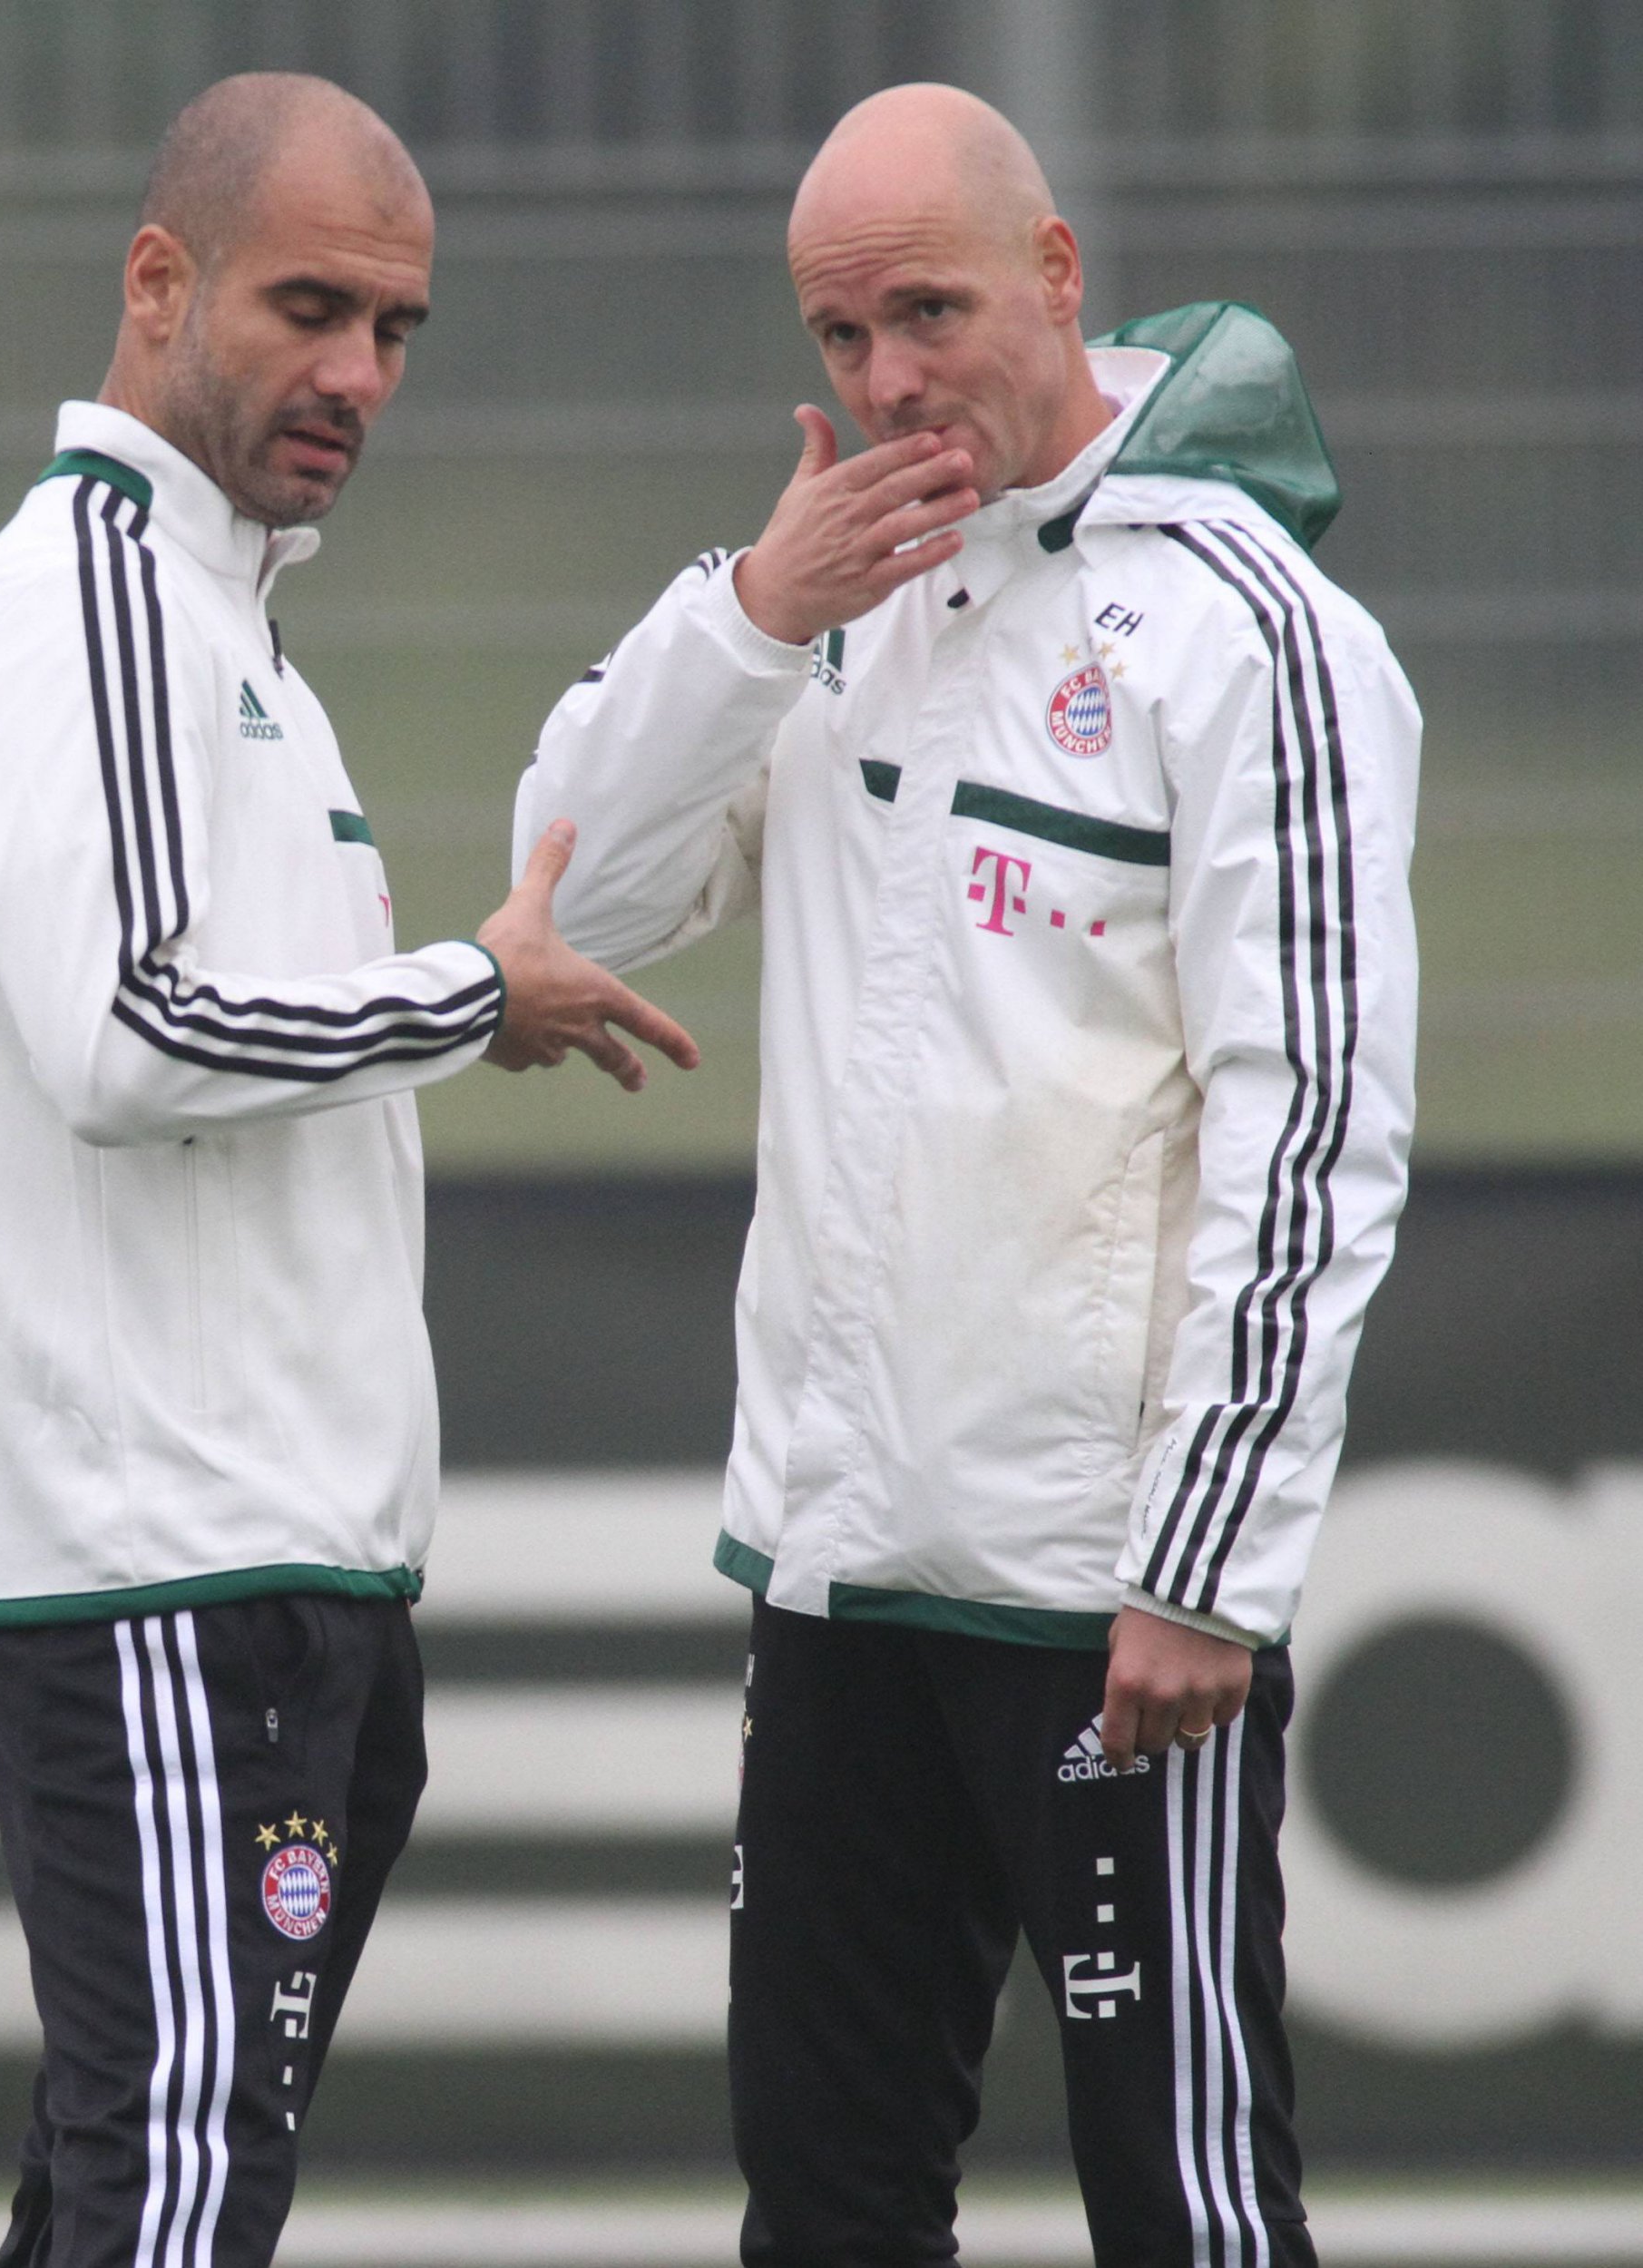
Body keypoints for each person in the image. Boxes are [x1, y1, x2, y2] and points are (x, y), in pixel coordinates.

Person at [517, 82, 1419, 2268]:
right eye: (840, 338)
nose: (888, 380)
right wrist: (746, 612)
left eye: (927, 310)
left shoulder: (1256, 631)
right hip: (836, 1576)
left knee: (1189, 2201)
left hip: (1103, 1604)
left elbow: (1311, 1123)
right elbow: (578, 901)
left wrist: (1206, 1558)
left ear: (1058, 276)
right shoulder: (832, 593)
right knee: (824, 2203)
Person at [0, 73, 696, 2268]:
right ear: (159, 283)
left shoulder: (227, 623)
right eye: (312, 305)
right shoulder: (89, 602)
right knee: (176, 2195)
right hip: (163, 1570)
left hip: (274, 1569)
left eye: (399, 327)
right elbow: (130, 1022)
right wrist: (472, 993)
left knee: (128, 2185)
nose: (359, 372)